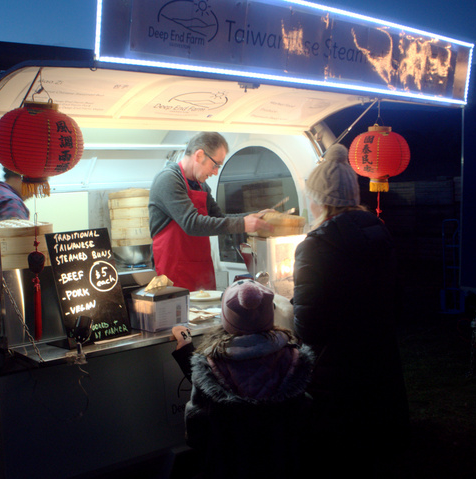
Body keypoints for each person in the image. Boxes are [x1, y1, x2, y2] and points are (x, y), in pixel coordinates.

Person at [292, 144, 409, 477]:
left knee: (339, 458)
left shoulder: (315, 246)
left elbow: (308, 327)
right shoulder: (377, 231)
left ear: (320, 199)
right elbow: (396, 298)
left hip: (336, 376)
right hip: (379, 363)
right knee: (371, 452)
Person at [183, 280, 314, 478]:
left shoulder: (210, 363)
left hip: (229, 463)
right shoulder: (293, 356)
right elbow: (304, 410)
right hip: (282, 461)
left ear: (226, 317)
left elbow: (197, 420)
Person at [148, 132, 271, 292]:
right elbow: (192, 224)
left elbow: (218, 218)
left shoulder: (201, 185)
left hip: (201, 271)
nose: (215, 172)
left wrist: (252, 217)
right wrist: (243, 224)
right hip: (173, 275)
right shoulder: (168, 180)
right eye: (215, 165)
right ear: (199, 155)